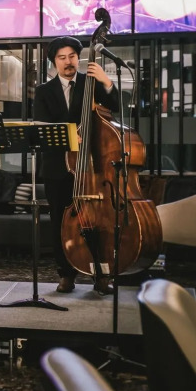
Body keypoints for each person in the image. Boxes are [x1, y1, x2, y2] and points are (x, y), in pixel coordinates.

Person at [33, 36, 120, 296]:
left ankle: (101, 274)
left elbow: (115, 107)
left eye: (72, 56)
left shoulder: (90, 83)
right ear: (54, 62)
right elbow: (42, 129)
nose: (68, 61)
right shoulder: (43, 92)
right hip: (57, 168)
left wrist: (106, 81)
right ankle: (66, 274)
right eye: (62, 57)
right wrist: (69, 137)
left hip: (92, 167)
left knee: (97, 221)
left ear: (78, 58)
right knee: (61, 223)